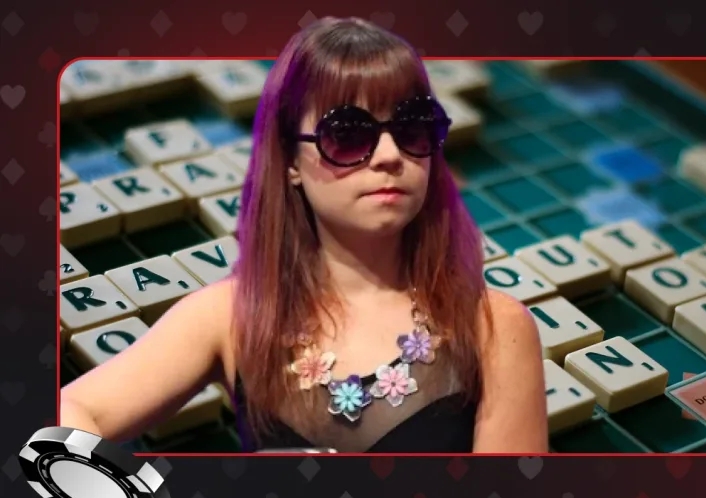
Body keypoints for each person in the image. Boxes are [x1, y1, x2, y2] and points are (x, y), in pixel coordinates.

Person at [59, 17, 549, 453]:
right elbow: (69, 414)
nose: (389, 156)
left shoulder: (495, 328)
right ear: (291, 160)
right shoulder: (230, 316)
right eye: (349, 133)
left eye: (412, 128)